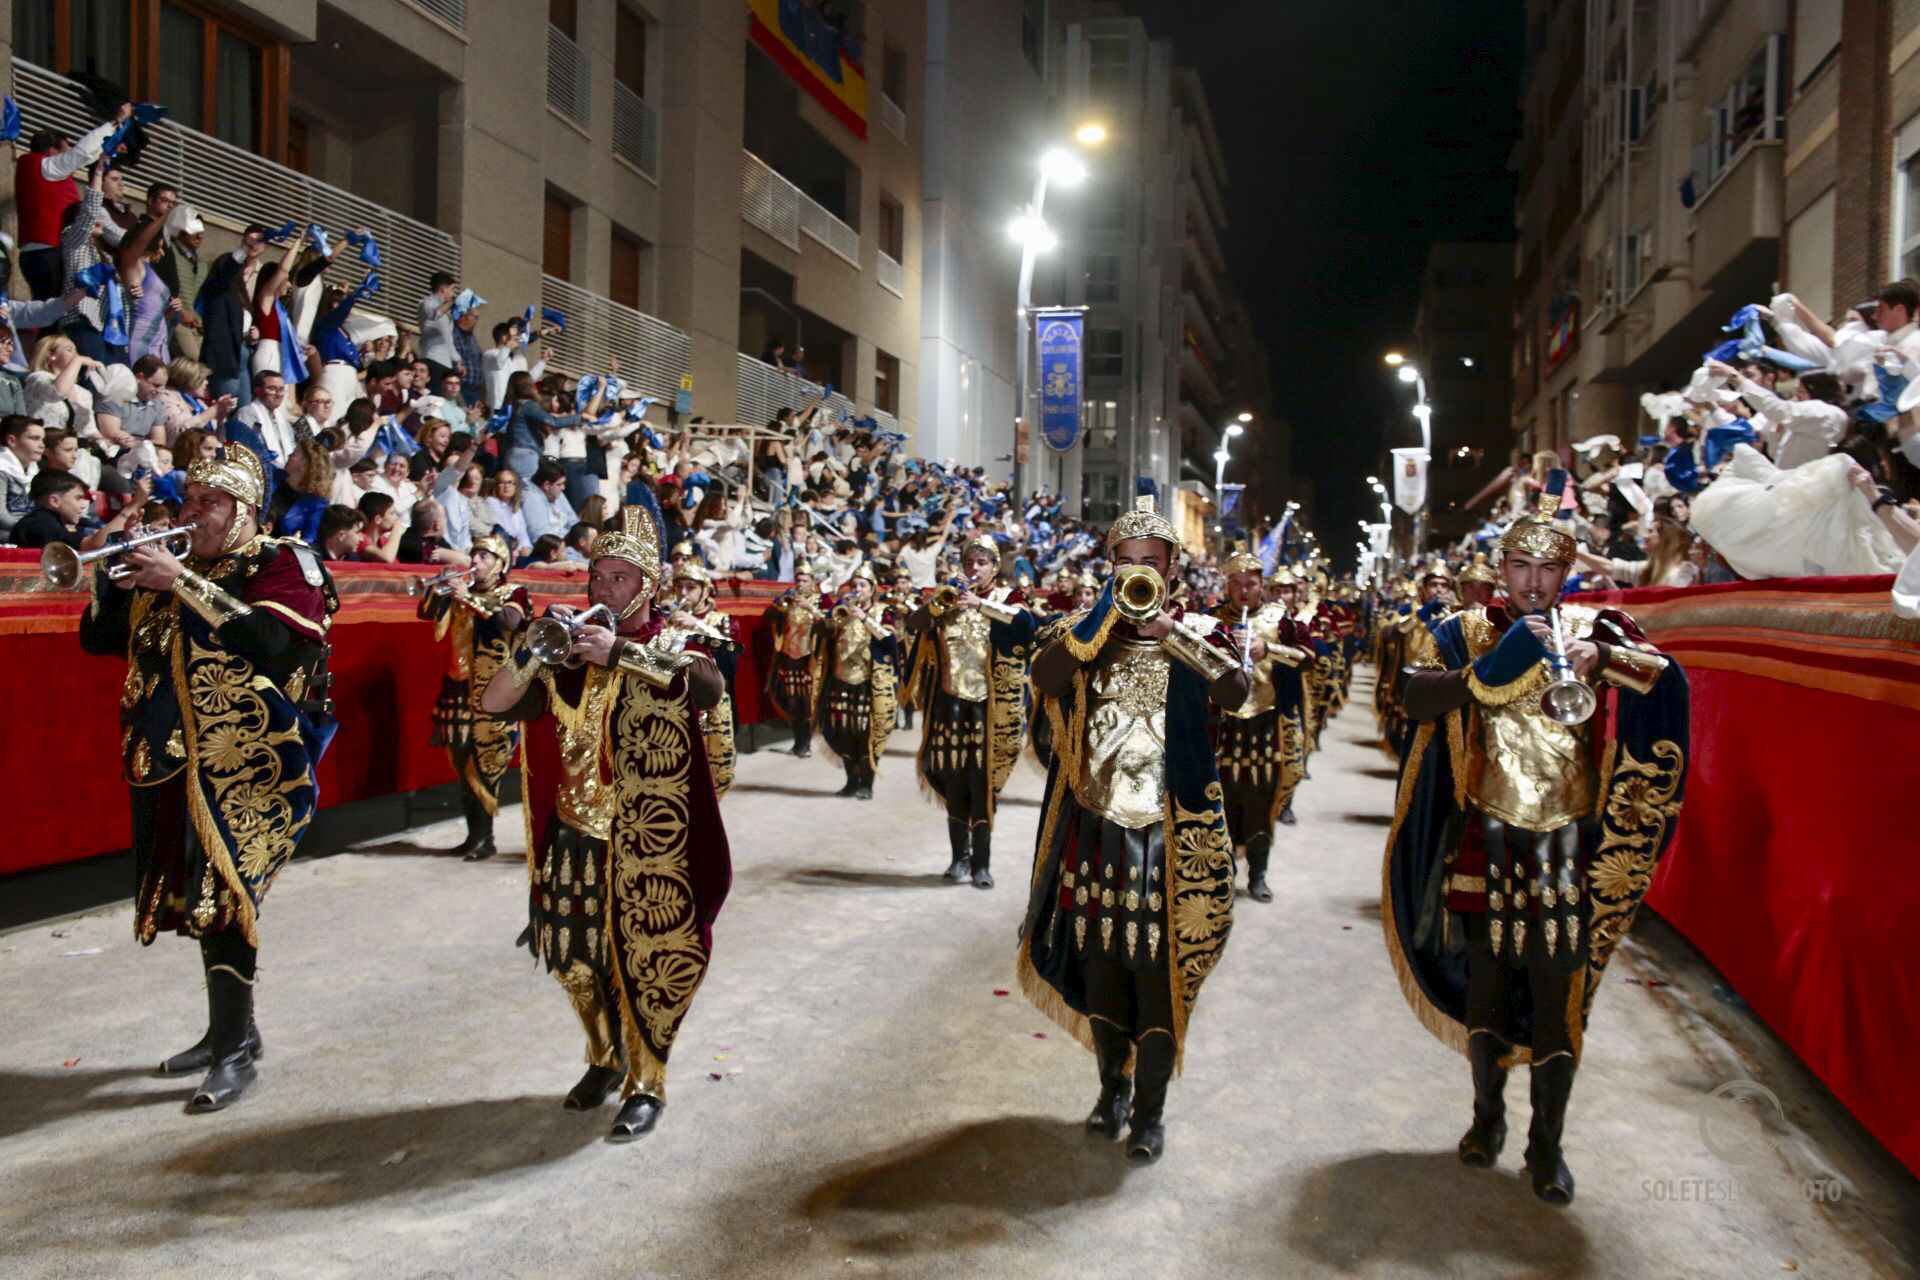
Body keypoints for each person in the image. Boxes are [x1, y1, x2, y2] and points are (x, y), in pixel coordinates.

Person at [1384, 474, 1689, 1205]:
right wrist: (1489, 669)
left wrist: (1602, 662)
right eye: (1521, 567)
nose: (1534, 582)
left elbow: (1667, 679)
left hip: (1567, 842)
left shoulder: (1596, 626)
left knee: (1559, 994)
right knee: (1488, 985)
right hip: (1487, 832)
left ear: (1568, 571)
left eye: (1549, 568)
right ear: (1502, 570)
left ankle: (1546, 1143)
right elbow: (1413, 693)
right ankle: (1486, 1119)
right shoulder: (1466, 628)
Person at [77, 442, 338, 1112]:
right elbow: (101, 643)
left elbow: (276, 645)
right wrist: (116, 585)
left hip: (249, 764)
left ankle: (231, 1055)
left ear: (245, 510)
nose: (192, 515)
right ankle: (233, 1031)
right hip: (170, 757)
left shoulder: (282, 561)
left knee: (226, 898)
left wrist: (182, 584)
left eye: (209, 504)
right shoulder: (178, 566)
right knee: (194, 897)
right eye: (188, 501)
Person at [479, 506, 732, 1142]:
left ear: (647, 586)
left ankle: (647, 1080)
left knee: (645, 959)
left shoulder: (671, 642)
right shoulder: (564, 654)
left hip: (643, 843)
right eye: (598, 576)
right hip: (573, 835)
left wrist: (619, 652)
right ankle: (602, 1058)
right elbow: (494, 702)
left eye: (621, 578)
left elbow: (707, 687)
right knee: (575, 958)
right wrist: (533, 649)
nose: (604, 589)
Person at [1016, 496, 1249, 1163]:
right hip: (1097, 835)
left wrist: (1171, 637)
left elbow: (1237, 695)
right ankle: (1109, 1089)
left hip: (1172, 841)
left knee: (1159, 976)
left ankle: (1150, 1109)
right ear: (1109, 569)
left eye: (1150, 565)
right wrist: (1106, 618)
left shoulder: (1202, 632)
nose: (1138, 574)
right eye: (1126, 564)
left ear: (1174, 570)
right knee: (1103, 969)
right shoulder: (1086, 631)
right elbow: (1045, 675)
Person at [901, 535, 1035, 888]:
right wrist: (935, 606)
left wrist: (980, 605)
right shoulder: (946, 600)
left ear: (994, 567)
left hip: (989, 709)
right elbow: (912, 626)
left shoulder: (1009, 599)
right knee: (954, 780)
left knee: (983, 785)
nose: (974, 569)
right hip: (949, 705)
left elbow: (1027, 627)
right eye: (969, 562)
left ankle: (981, 863)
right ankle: (958, 859)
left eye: (981, 563)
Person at [1210, 548, 1314, 902]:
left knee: (1260, 799)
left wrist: (1268, 649)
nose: (1242, 591)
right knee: (1220, 801)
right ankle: (1223, 873)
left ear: (1262, 586)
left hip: (1265, 723)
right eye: (1235, 584)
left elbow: (1308, 657)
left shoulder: (1281, 620)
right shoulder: (1212, 619)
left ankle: (1258, 874)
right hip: (1223, 726)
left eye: (1250, 584)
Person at [417, 535, 530, 860]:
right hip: (457, 684)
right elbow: (425, 613)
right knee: (461, 760)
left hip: (494, 691)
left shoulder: (514, 592)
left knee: (485, 761)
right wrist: (438, 588)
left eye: (486, 556)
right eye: (475, 555)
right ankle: (475, 836)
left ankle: (485, 838)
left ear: (501, 562)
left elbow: (509, 621)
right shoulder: (461, 590)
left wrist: (469, 600)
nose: (478, 561)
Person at [814, 563, 899, 800]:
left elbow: (890, 641)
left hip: (868, 681)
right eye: (855, 585)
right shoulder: (842, 610)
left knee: (865, 734)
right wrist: (827, 618)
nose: (858, 589)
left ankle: (866, 783)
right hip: (840, 679)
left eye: (863, 585)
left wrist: (865, 618)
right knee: (839, 731)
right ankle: (851, 781)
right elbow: (823, 633)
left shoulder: (884, 611)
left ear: (872, 589)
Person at [661, 559, 743, 797]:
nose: (683, 593)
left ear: (705, 591)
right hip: (675, 703)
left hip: (713, 705)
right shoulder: (667, 619)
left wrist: (697, 625)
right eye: (679, 587)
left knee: (714, 771)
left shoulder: (722, 620)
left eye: (690, 587)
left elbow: (731, 652)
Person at [767, 564, 826, 757]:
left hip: (809, 658)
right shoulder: (789, 600)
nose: (801, 584)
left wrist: (810, 607)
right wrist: (781, 605)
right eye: (798, 580)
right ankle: (798, 742)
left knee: (806, 703)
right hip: (789, 656)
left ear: (813, 583)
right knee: (792, 702)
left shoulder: (821, 599)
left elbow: (829, 624)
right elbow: (771, 616)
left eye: (805, 581)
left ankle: (806, 744)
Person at [10, 468, 91, 549]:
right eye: (78, 498)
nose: (83, 505)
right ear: (54, 501)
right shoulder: (39, 525)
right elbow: (88, 544)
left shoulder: (54, 520)